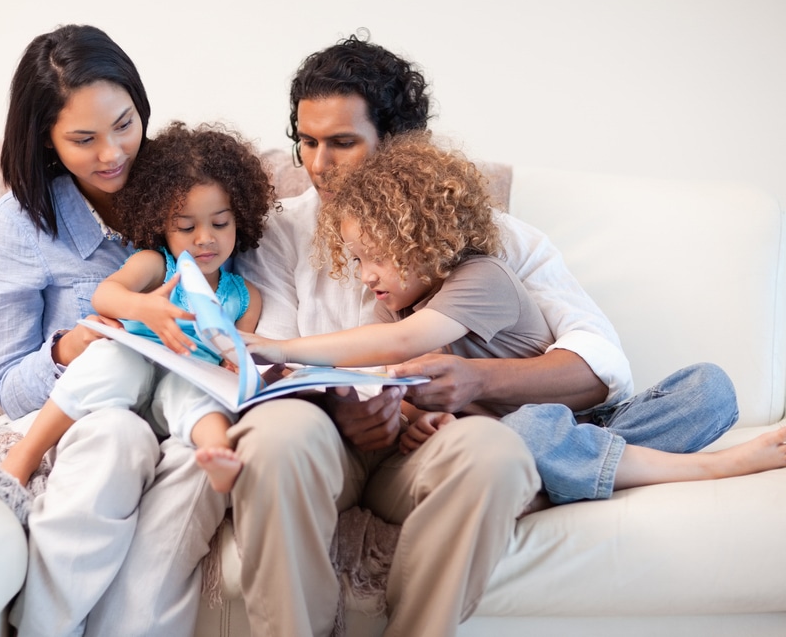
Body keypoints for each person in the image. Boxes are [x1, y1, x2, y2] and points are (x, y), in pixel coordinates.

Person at [230, 32, 738, 636]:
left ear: (399, 144)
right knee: (275, 434)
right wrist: (340, 410)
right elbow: (274, 367)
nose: (318, 166)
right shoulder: (278, 233)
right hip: (323, 438)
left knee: (504, 450)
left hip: (429, 446)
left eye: (342, 143)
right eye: (306, 143)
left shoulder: (486, 239)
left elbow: (599, 365)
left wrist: (473, 382)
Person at [246, 131, 786, 505]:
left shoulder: (483, 279)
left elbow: (398, 344)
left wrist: (280, 350)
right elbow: (414, 391)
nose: (364, 275)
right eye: (357, 259)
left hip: (574, 421)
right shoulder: (400, 300)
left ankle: (707, 466)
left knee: (707, 388)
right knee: (520, 434)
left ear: (425, 241)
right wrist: (428, 423)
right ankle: (579, 471)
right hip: (513, 434)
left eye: (376, 256)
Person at [0, 26, 226, 637]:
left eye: (124, 124)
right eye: (83, 139)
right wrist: (71, 345)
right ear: (47, 139)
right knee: (118, 436)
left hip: (177, 397)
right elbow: (8, 384)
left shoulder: (180, 187)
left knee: (201, 455)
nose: (113, 153)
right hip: (84, 411)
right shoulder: (19, 223)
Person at [0, 121, 276, 494]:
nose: (205, 238)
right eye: (185, 227)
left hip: (186, 381)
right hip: (130, 376)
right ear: (162, 225)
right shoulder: (157, 265)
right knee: (108, 360)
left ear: (239, 219)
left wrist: (235, 361)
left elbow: (243, 347)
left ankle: (218, 453)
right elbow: (105, 296)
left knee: (202, 393)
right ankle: (26, 452)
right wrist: (145, 308)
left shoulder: (245, 296)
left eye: (220, 223)